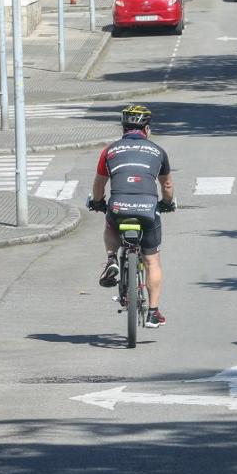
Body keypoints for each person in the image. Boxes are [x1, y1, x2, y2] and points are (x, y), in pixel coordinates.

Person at [89, 105, 176, 328]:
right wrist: (167, 203)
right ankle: (153, 313)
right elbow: (166, 184)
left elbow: (99, 184)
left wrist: (98, 202)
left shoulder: (109, 151)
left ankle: (111, 260)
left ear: (124, 129)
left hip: (119, 206)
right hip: (147, 208)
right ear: (146, 129)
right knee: (152, 260)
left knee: (110, 226)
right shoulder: (158, 151)